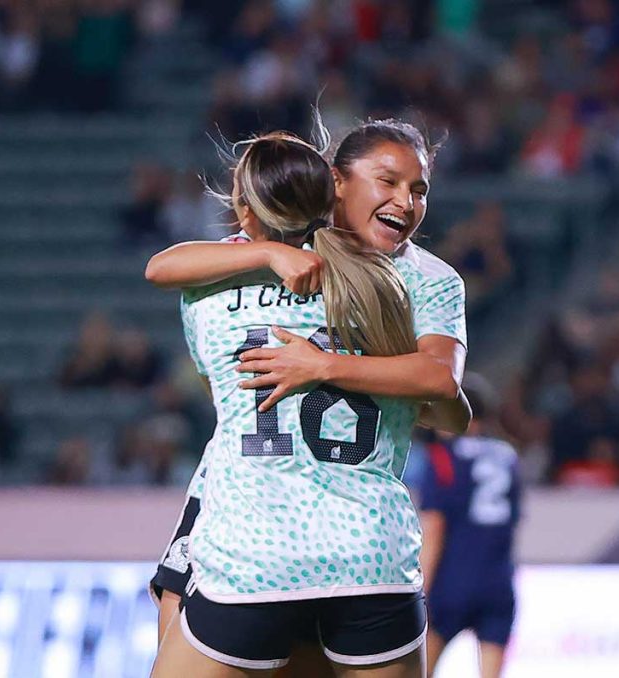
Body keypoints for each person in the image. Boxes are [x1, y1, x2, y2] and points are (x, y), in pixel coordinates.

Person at [147, 119, 472, 659]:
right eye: (388, 182)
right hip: (279, 515)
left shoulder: (417, 277)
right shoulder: (276, 257)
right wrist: (267, 254)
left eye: (419, 191)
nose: (406, 201)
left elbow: (445, 394)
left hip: (273, 538)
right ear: (335, 182)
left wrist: (322, 366)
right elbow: (448, 405)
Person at [418, 376, 520, 678]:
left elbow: (434, 529)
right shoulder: (508, 456)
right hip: (498, 580)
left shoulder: (442, 458)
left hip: (451, 583)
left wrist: (420, 592)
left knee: (420, 671)